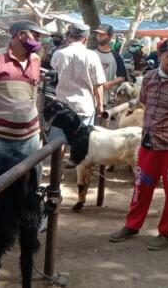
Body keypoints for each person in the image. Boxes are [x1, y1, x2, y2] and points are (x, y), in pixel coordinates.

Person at [109, 38, 168, 250]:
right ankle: (132, 225)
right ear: (160, 55)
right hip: (150, 142)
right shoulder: (148, 78)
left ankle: (166, 232)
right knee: (141, 185)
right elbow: (144, 102)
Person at [0, 21, 49, 180]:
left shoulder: (35, 60)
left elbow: (33, 94)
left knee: (32, 180)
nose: (39, 41)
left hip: (30, 137)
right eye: (36, 35)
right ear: (21, 35)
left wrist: (38, 128)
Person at [50, 24, 106, 208]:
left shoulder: (59, 54)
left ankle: (56, 184)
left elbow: (55, 72)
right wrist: (100, 106)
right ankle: (81, 191)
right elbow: (98, 84)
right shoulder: (92, 56)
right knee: (83, 149)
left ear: (69, 36)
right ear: (85, 38)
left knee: (59, 148)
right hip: (84, 106)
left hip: (62, 107)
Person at [93, 24, 125, 105]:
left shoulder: (116, 56)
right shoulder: (91, 53)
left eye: (102, 35)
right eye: (98, 34)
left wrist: (110, 83)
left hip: (104, 98)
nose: (99, 37)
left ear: (110, 37)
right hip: (88, 96)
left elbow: (122, 76)